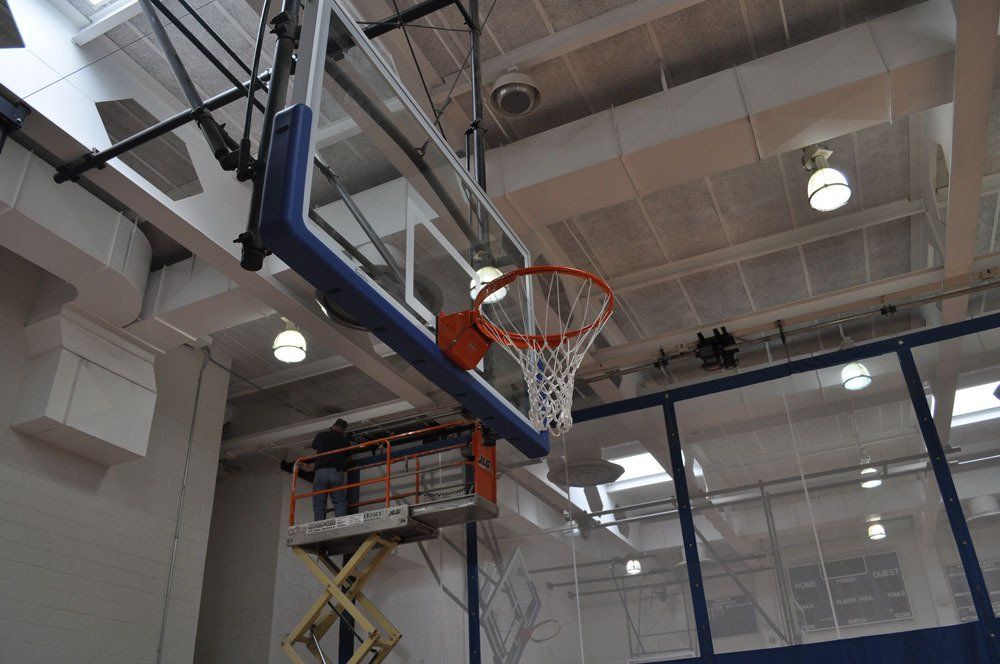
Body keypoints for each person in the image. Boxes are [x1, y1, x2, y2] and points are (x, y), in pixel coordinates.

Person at [310, 418, 351, 521]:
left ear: (333, 426)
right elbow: (349, 454)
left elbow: (314, 445)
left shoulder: (321, 435)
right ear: (343, 430)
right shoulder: (344, 440)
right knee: (339, 501)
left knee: (319, 502)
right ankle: (341, 522)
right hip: (336, 472)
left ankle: (319, 525)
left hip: (321, 472)